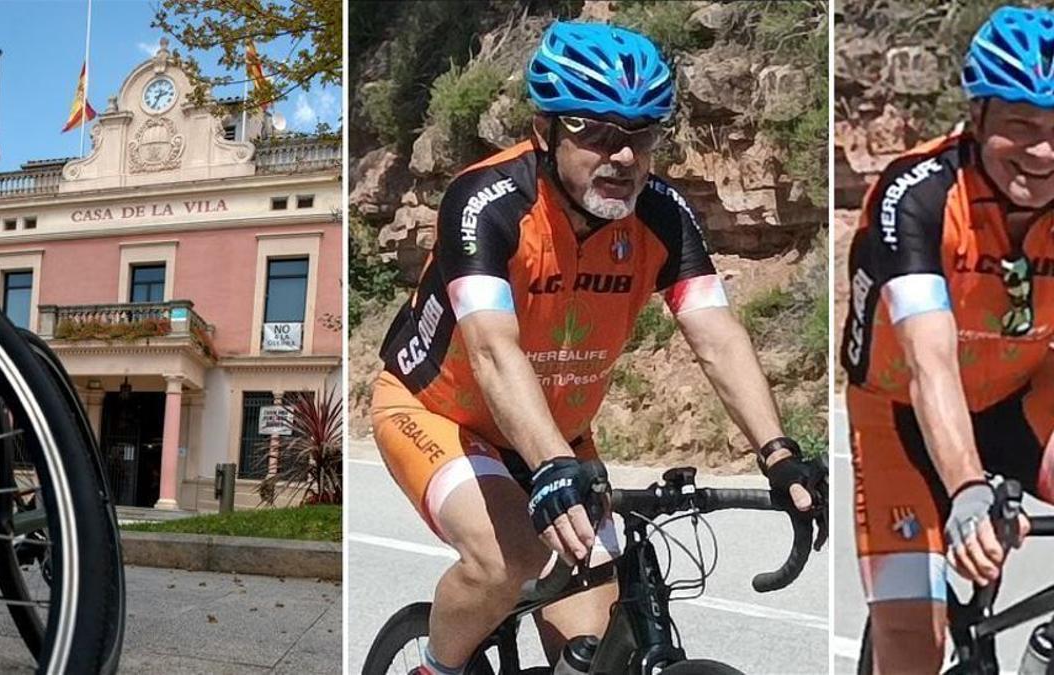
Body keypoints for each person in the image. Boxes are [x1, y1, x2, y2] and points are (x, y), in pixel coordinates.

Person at [372, 20, 828, 675]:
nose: (621, 156)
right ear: (544, 130)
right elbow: (495, 350)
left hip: (559, 436)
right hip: (439, 413)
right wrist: (553, 464)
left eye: (640, 135)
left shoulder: (662, 213)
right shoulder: (487, 201)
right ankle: (433, 667)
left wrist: (778, 452)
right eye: (595, 132)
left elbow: (718, 337)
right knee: (509, 562)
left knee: (596, 646)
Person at [841, 6, 1054, 673]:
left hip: (1024, 396)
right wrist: (966, 487)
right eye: (1021, 124)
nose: (1044, 151)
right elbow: (929, 361)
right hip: (900, 410)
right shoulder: (919, 194)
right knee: (913, 641)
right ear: (978, 116)